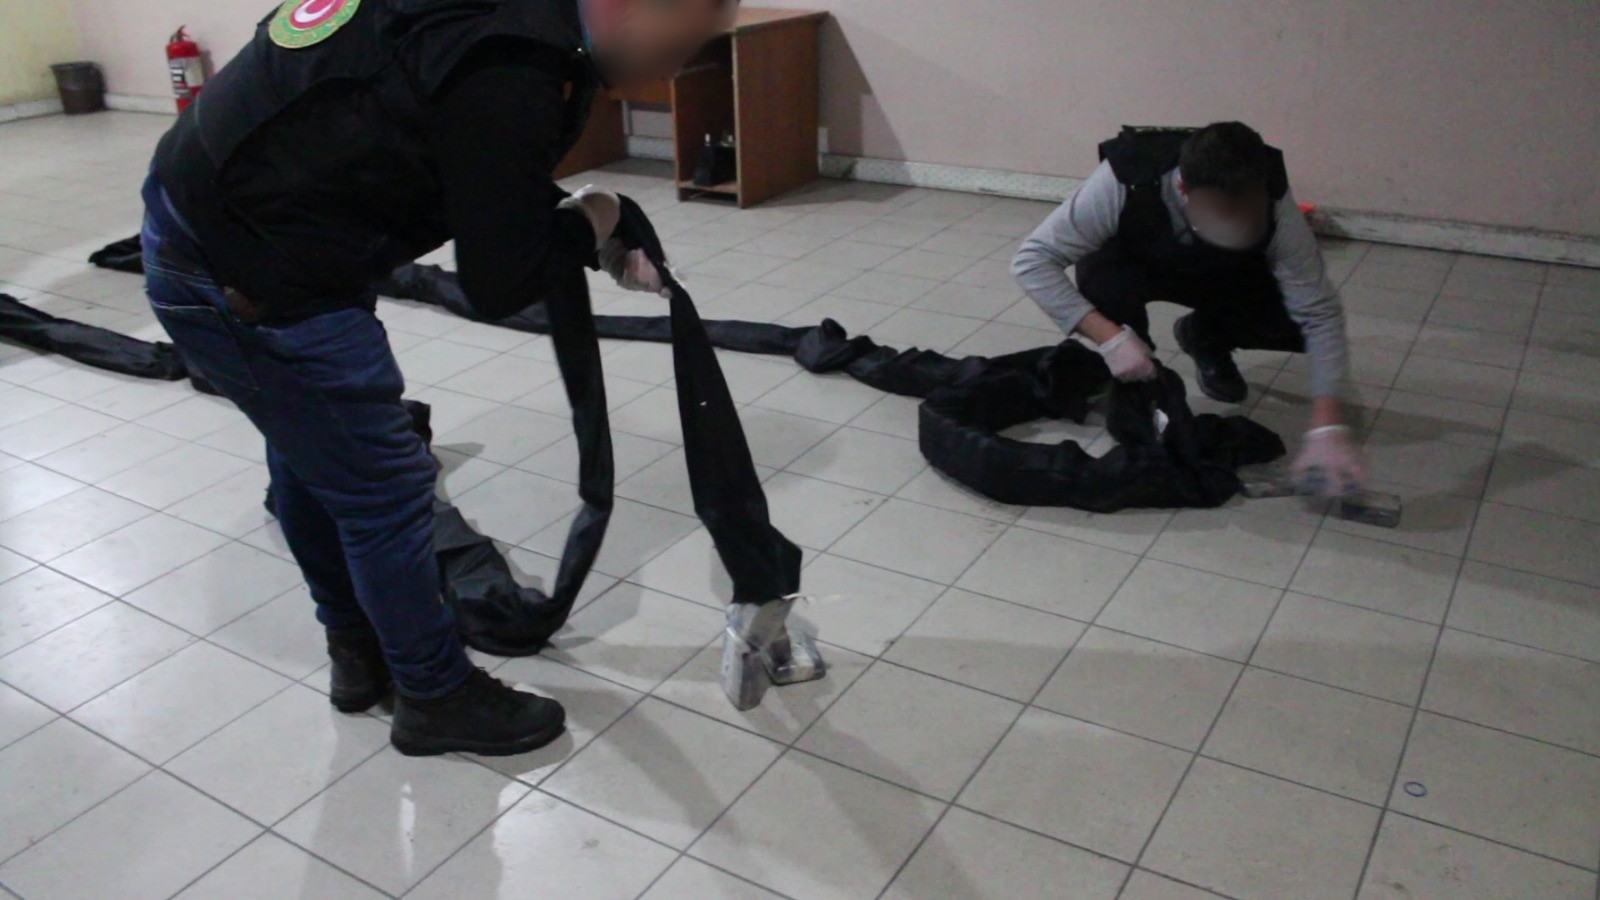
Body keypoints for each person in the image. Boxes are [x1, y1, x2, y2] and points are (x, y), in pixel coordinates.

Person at [140, 0, 736, 757]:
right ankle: (435, 696)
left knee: (313, 455)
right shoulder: (510, 57)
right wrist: (597, 213)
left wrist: (588, 227)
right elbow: (498, 280)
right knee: (384, 490)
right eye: (687, 38)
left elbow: (471, 152)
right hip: (245, 268)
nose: (679, 66)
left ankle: (359, 650)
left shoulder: (511, 24)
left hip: (238, 224)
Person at [1012, 122, 1366, 496]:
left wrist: (1328, 425)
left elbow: (1319, 313)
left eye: (1247, 215)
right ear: (1183, 189)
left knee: (1290, 323)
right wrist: (1110, 338)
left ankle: (1205, 335)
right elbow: (1032, 261)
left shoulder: (1278, 205)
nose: (1235, 224)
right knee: (1104, 285)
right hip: (1134, 264)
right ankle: (1136, 388)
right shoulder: (1124, 180)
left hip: (1220, 270)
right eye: (1220, 212)